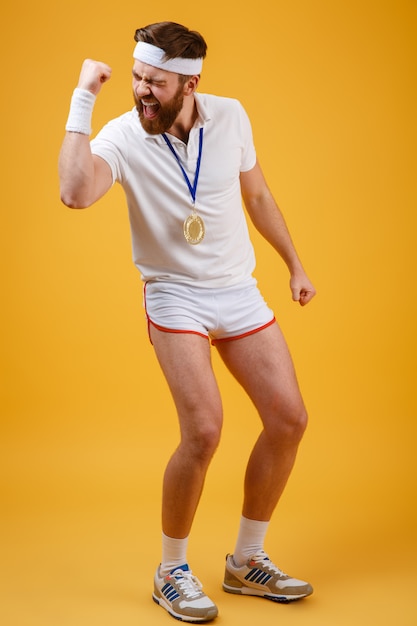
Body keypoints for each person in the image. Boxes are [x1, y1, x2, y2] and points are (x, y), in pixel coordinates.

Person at [59, 20, 316, 623]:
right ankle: (171, 568)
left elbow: (256, 195)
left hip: (237, 288)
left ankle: (246, 561)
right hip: (174, 294)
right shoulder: (122, 135)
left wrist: (295, 264)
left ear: (191, 82)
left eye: (156, 82)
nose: (142, 91)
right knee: (203, 431)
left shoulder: (231, 117)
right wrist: (83, 98)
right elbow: (74, 193)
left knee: (289, 419)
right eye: (137, 78)